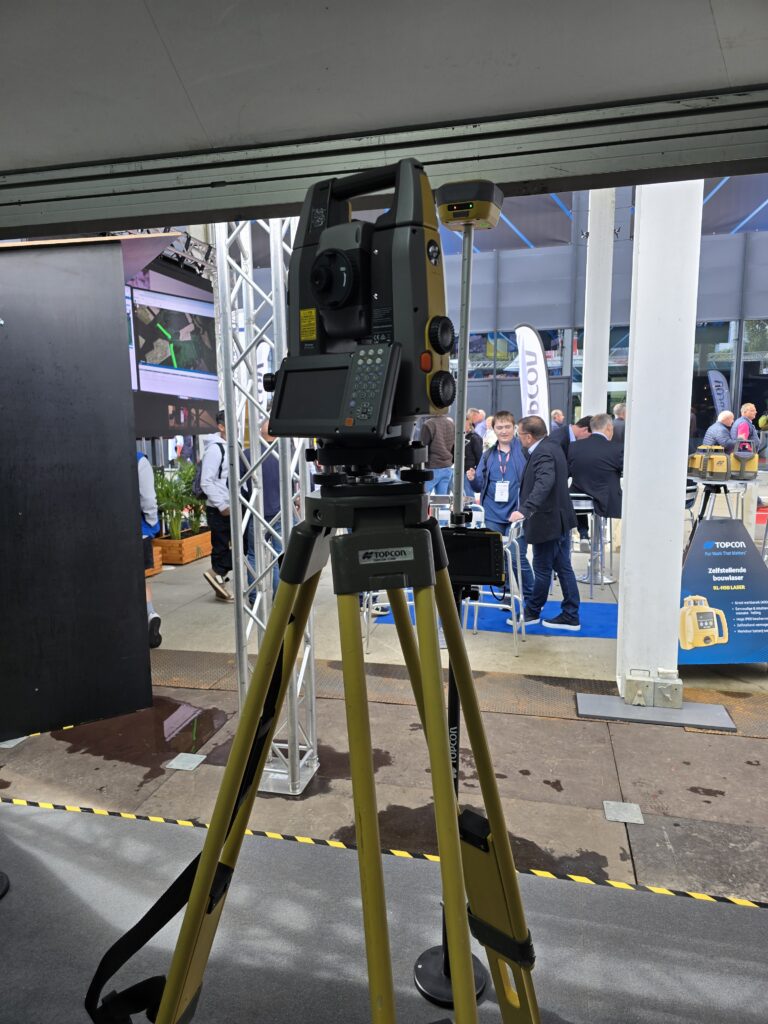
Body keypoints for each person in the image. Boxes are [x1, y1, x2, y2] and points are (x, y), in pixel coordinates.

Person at [511, 416, 580, 631]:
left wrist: (525, 509)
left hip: (548, 521)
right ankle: (570, 614)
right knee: (563, 567)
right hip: (557, 519)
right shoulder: (552, 446)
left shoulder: (543, 452)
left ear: (529, 436)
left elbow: (545, 482)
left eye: (519, 434)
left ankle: (533, 612)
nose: (518, 438)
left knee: (542, 569)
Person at [466, 410, 534, 602]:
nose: (504, 431)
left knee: (517, 558)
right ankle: (506, 596)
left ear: (514, 428)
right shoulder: (488, 455)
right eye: (499, 427)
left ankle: (532, 599)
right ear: (493, 429)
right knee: (498, 558)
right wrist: (472, 479)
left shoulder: (525, 452)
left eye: (507, 427)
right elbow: (479, 486)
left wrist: (526, 509)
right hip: (492, 514)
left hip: (517, 514)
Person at [201, 410, 234, 601]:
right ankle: (217, 577)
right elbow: (206, 481)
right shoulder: (215, 449)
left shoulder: (233, 445)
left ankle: (217, 576)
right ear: (221, 426)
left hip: (231, 505)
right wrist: (222, 505)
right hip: (219, 508)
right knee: (221, 547)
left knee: (240, 545)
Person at [137, 451, 162, 648]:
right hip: (139, 531)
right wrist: (152, 522)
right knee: (140, 580)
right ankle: (150, 614)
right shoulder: (139, 460)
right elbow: (147, 498)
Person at [419, 413, 454, 495]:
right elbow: (455, 446)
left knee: (423, 497)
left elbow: (422, 447)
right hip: (447, 467)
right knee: (442, 500)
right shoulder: (451, 424)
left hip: (432, 467)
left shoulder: (428, 424)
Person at [463, 409, 483, 497]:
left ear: (470, 425)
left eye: (465, 424)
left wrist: (477, 470)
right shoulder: (461, 436)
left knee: (468, 494)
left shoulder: (475, 437)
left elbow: (479, 455)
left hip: (469, 470)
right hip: (460, 469)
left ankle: (471, 505)